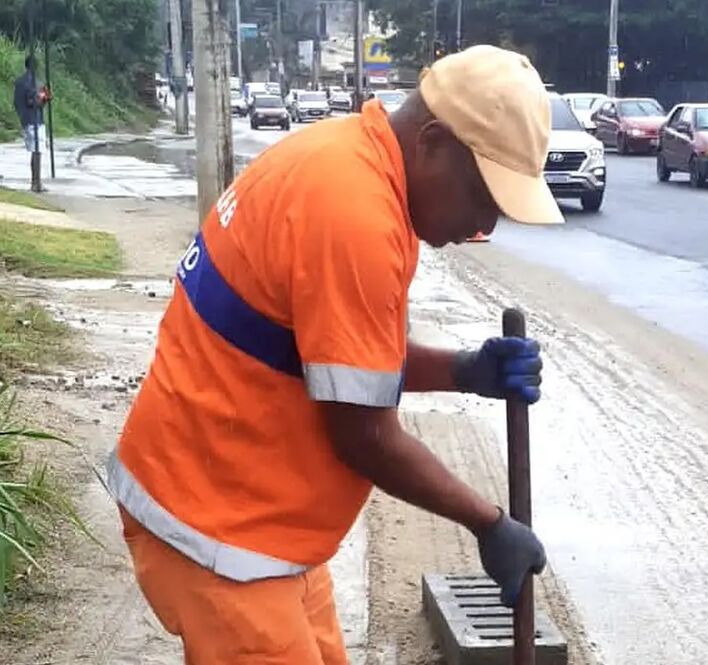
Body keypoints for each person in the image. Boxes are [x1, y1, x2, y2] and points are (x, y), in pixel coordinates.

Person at [106, 44, 563, 664]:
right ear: (432, 142)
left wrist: (463, 370)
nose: (483, 225)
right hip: (217, 529)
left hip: (259, 522)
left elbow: (338, 358)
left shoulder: (353, 162)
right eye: (484, 198)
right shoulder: (354, 215)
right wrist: (487, 523)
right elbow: (363, 435)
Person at [12, 55, 48, 188]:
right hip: (35, 119)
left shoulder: (21, 82)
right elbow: (32, 101)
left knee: (36, 150)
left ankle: (36, 181)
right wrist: (42, 98)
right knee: (37, 150)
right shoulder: (32, 82)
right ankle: (36, 182)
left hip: (27, 119)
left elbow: (18, 102)